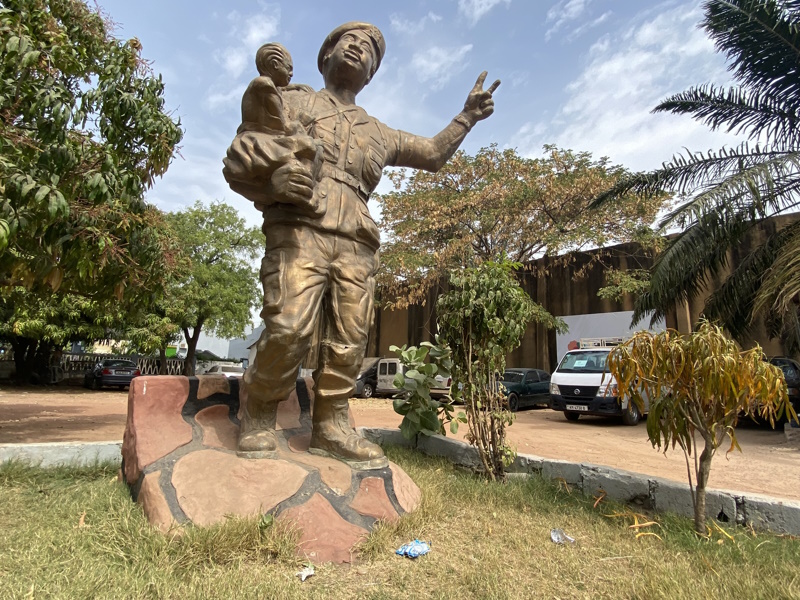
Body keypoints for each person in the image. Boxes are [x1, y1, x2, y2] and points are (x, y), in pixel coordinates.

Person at [223, 21, 499, 470]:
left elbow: (430, 153)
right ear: (325, 55)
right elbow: (242, 153)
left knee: (350, 339)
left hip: (356, 240)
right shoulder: (293, 100)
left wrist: (466, 117)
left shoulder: (377, 131)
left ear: (371, 72)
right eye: (347, 42)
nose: (356, 49)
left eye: (368, 49)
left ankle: (331, 425)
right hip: (299, 226)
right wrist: (273, 179)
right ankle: (258, 412)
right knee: (288, 327)